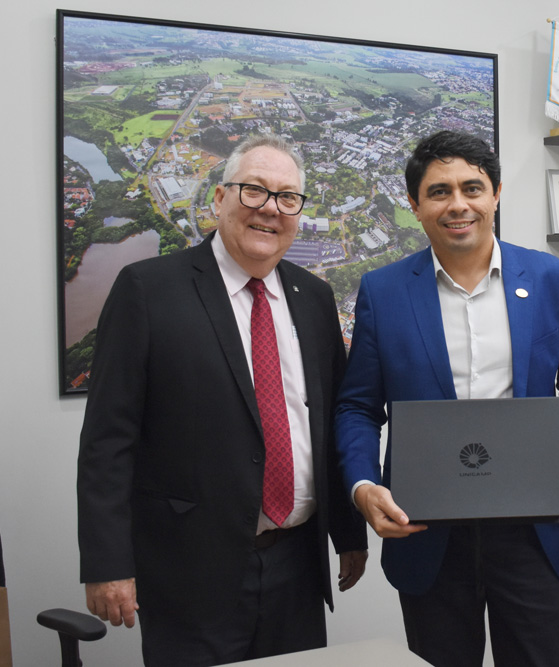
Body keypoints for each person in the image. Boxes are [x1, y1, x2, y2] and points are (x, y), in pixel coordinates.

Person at [78, 134, 368, 666]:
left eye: (287, 197)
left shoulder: (314, 298)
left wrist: (349, 534)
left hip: (297, 568)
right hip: (190, 574)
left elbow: (326, 426)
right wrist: (107, 563)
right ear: (219, 198)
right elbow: (107, 441)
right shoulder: (148, 290)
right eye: (254, 190)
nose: (270, 209)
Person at [335, 130, 559, 667]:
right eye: (439, 192)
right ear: (415, 205)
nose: (457, 204)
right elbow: (357, 407)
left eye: (472, 188)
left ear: (495, 194)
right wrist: (363, 486)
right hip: (426, 529)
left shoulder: (551, 278)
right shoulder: (383, 292)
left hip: (531, 527)